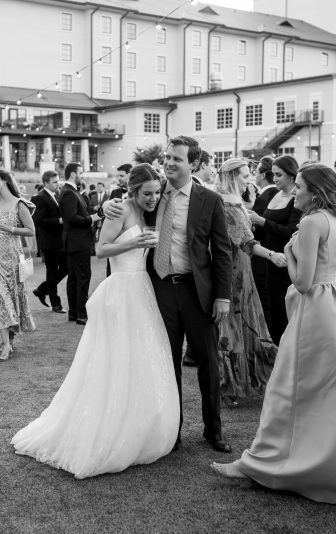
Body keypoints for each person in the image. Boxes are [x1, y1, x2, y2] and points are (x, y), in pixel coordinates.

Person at [210, 164, 336, 510]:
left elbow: (303, 282)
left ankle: (266, 463)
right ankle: (308, 462)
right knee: (329, 391)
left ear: (315, 193)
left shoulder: (311, 222)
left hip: (314, 307)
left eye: (300, 188)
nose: (295, 194)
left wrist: (289, 255)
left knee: (287, 388)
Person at [12, 163, 179, 478]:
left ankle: (142, 422)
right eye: (147, 193)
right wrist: (135, 242)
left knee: (142, 357)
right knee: (113, 360)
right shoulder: (121, 210)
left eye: (156, 193)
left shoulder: (148, 210)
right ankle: (110, 423)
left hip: (142, 290)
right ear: (133, 191)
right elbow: (101, 249)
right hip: (122, 290)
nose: (153, 198)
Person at [104, 136, 234, 453]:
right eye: (167, 157)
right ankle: (170, 430)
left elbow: (222, 251)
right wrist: (105, 205)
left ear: (193, 164)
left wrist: (223, 296)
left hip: (196, 290)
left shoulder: (209, 200)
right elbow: (128, 206)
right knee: (165, 361)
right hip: (158, 288)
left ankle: (213, 430)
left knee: (208, 362)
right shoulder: (154, 192)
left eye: (177, 158)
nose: (169, 162)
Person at [215, 158, 283, 403]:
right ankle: (229, 384)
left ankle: (242, 380)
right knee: (233, 325)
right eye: (244, 175)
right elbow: (245, 242)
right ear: (233, 177)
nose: (249, 179)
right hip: (233, 269)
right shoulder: (226, 205)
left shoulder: (235, 203)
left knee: (243, 323)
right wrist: (272, 255)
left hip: (241, 268)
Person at [248, 155, 302, 345]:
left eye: (279, 175)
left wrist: (262, 221)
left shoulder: (297, 199)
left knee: (282, 307)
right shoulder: (272, 195)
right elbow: (265, 229)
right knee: (267, 306)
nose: (275, 178)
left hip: (285, 260)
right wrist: (254, 226)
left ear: (292, 175)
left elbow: (291, 232)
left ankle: (285, 348)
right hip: (265, 258)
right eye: (273, 174)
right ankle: (272, 348)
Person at [0, 168, 36, 361]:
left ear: (5, 180)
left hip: (13, 259)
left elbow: (31, 230)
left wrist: (10, 228)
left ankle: (10, 337)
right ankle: (6, 344)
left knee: (11, 299)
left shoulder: (19, 204)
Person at [59, 163, 101, 325]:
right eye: (80, 173)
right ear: (72, 175)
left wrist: (94, 214)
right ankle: (81, 314)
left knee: (75, 278)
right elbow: (71, 218)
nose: (82, 176)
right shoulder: (69, 193)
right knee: (82, 278)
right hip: (78, 241)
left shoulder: (72, 192)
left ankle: (74, 312)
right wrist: (92, 219)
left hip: (75, 241)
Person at [32, 170, 68, 314]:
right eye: (54, 182)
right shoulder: (39, 197)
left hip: (60, 240)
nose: (57, 184)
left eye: (58, 181)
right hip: (48, 241)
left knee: (66, 268)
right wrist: (58, 221)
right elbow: (38, 221)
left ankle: (41, 289)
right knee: (52, 272)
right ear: (46, 183)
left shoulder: (57, 195)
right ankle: (56, 304)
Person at [249, 156, 278, 329]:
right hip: (271, 253)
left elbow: (256, 229)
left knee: (265, 300)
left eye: (255, 172)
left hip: (263, 255)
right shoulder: (275, 194)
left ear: (262, 175)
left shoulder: (266, 195)